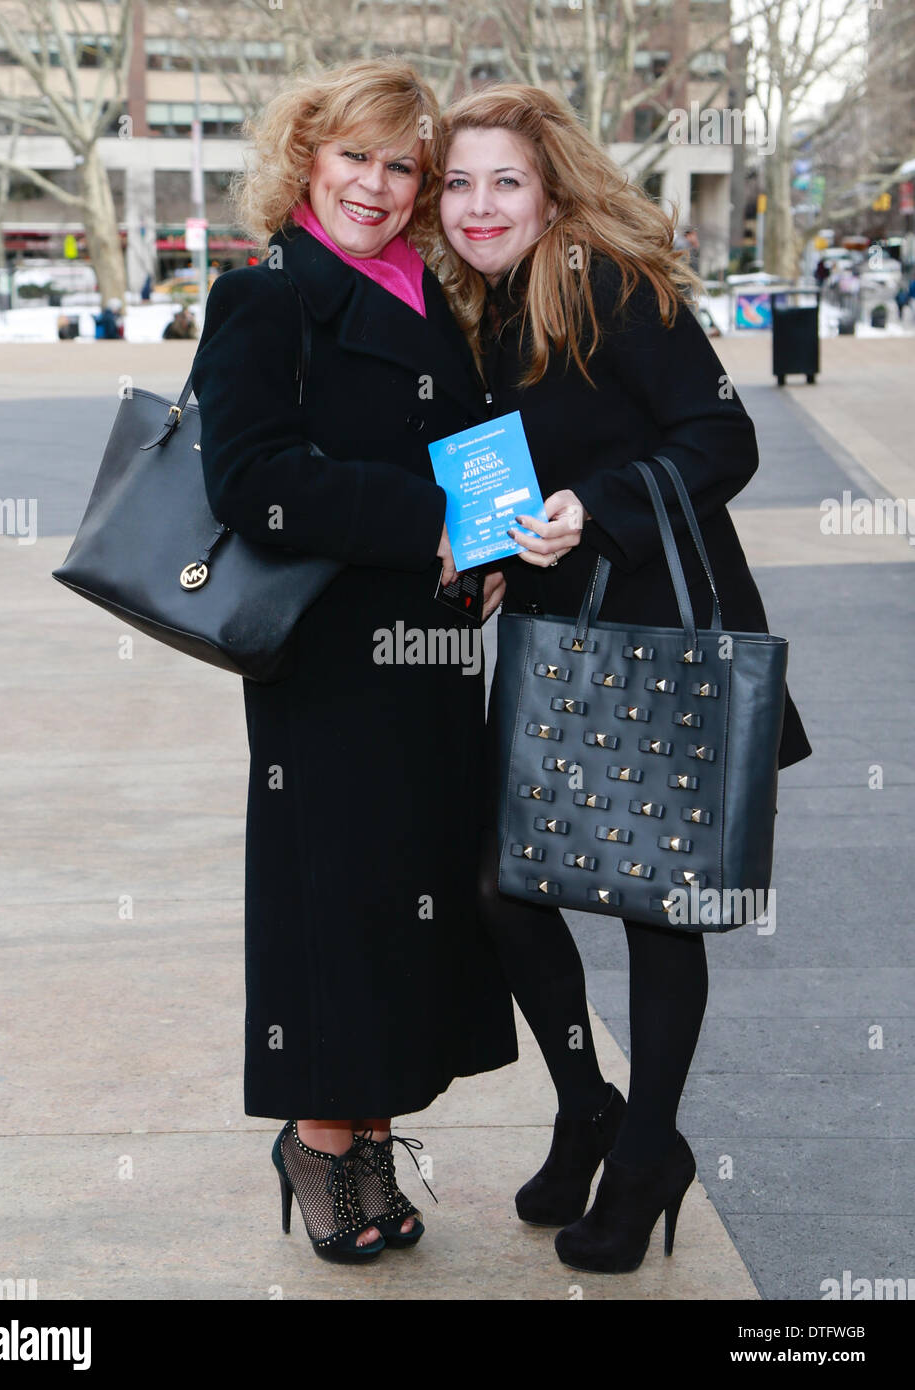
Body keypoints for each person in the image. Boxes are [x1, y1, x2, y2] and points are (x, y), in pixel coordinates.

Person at [434, 83, 812, 1274]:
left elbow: (722, 438)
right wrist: (491, 555)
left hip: (655, 632)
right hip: (551, 632)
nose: (479, 204)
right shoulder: (478, 305)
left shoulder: (603, 279)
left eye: (505, 181)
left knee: (654, 901)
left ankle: (648, 1147)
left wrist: (595, 506)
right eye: (458, 182)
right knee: (500, 885)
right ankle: (589, 1103)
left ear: (550, 189)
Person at [191, 59, 518, 1265]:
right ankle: (319, 1141)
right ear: (305, 160)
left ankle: (370, 1142)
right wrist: (419, 520)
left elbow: (474, 450)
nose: (376, 185)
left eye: (400, 166)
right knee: (338, 896)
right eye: (355, 159)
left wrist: (487, 544)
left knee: (407, 897)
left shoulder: (429, 292)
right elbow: (251, 479)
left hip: (430, 654)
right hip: (327, 660)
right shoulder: (268, 296)